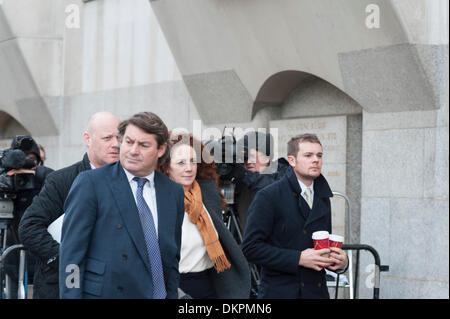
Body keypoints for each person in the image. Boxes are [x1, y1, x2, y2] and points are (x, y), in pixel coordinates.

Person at [59, 112, 185, 299]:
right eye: (128, 141)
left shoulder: (172, 191)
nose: (133, 150)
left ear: (161, 149)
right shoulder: (91, 183)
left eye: (143, 145)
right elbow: (71, 257)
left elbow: (171, 257)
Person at [18, 111, 121, 299]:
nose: (116, 144)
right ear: (87, 139)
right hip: (62, 287)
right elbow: (29, 227)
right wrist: (68, 260)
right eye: (107, 138)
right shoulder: (61, 180)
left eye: (119, 137)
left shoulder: (130, 183)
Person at [242, 133, 348, 299]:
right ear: (291, 160)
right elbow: (251, 248)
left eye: (319, 155)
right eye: (308, 155)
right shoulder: (268, 196)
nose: (316, 160)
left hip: (316, 293)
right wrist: (298, 258)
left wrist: (339, 262)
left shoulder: (323, 196)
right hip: (280, 292)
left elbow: (321, 246)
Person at [159, 133, 251, 299]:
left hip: (211, 285)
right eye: (181, 163)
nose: (189, 168)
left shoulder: (207, 194)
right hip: (175, 289)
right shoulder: (157, 202)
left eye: (193, 161)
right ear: (166, 167)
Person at [3, 135, 53, 299]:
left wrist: (34, 174)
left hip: (40, 259)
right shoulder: (5, 181)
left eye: (31, 161)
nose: (24, 166)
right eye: (21, 160)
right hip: (11, 259)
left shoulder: (45, 179)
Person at [231, 131, 290, 233]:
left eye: (252, 156)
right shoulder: (241, 180)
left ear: (266, 157)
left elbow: (272, 185)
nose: (248, 161)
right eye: (245, 156)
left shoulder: (284, 175)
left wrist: (244, 175)